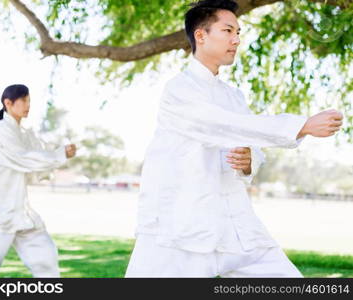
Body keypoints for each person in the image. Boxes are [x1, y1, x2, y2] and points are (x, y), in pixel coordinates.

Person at [125, 0, 343, 277]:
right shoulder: (178, 90)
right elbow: (223, 125)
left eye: (238, 32)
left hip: (234, 225)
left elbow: (248, 140)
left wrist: (248, 162)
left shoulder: (233, 96)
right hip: (179, 226)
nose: (236, 40)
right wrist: (301, 125)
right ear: (201, 35)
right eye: (228, 31)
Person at [0, 84, 76, 278]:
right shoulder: (0, 132)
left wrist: (60, 153)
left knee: (46, 259)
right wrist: (59, 154)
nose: (27, 105)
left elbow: (39, 155)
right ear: (8, 103)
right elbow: (25, 158)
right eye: (23, 100)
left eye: (29, 100)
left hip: (21, 212)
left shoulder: (23, 133)